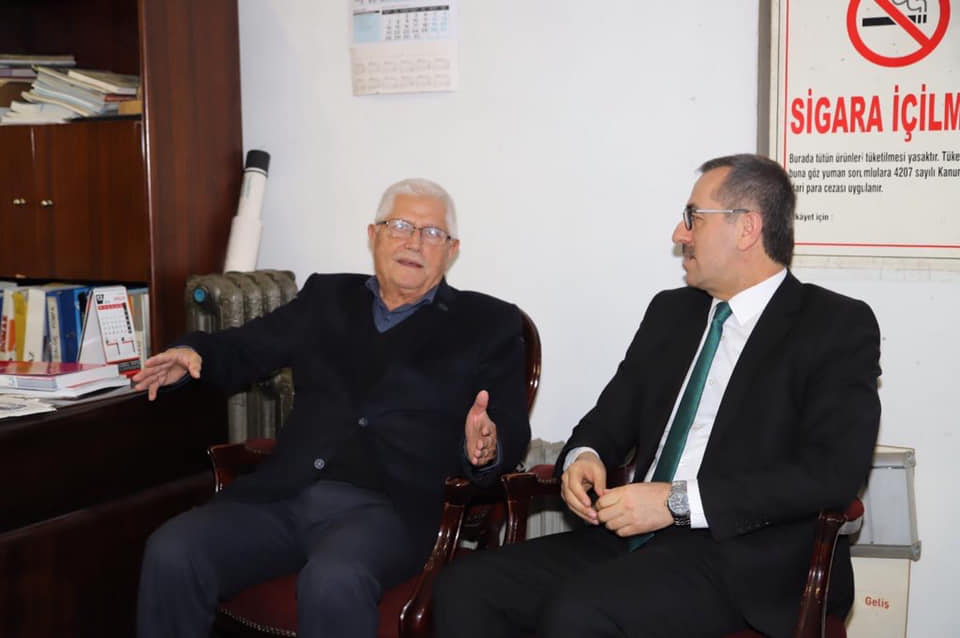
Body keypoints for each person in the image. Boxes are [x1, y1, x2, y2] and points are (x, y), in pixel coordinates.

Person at [433, 154, 881, 638]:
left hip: (743, 558)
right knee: (465, 586)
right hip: (631, 539)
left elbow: (833, 473)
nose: (678, 234)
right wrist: (584, 457)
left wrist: (675, 503)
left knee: (580, 611)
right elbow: (607, 419)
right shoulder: (672, 313)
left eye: (693, 217)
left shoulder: (833, 325)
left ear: (747, 228)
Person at [134, 178, 531, 638]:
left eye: (431, 232)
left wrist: (487, 448)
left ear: (451, 250)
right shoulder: (327, 297)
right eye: (400, 226)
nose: (414, 242)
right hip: (285, 496)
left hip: (390, 514)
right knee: (173, 549)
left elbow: (508, 425)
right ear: (373, 235)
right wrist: (193, 352)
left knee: (333, 581)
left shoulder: (486, 323)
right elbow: (246, 346)